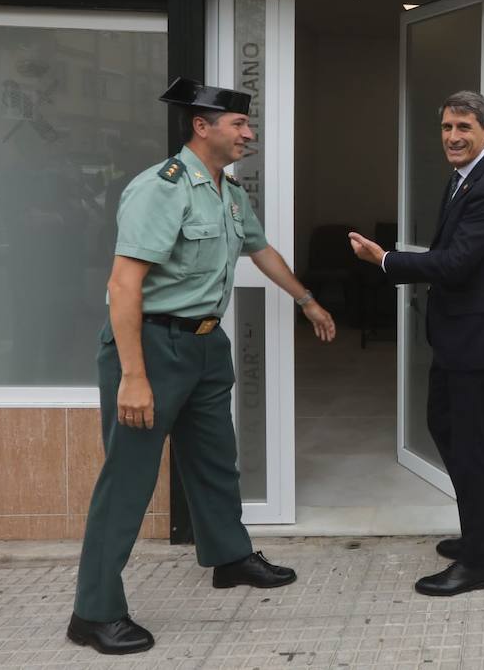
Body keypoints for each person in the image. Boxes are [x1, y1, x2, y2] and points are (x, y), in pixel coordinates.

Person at [68, 78, 336, 655]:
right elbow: (123, 285)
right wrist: (134, 376)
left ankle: (229, 557)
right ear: (202, 126)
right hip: (153, 348)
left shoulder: (228, 191)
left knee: (216, 460)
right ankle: (93, 612)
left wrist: (306, 299)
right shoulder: (160, 190)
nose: (249, 133)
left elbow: (260, 249)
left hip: (206, 347)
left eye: (248, 124)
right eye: (239, 125)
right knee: (129, 481)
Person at [349, 90, 484, 597]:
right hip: (457, 335)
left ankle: (479, 564)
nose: (453, 137)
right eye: (447, 127)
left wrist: (386, 261)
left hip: (476, 337)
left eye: (464, 128)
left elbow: (454, 263)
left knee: (468, 445)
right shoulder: (462, 180)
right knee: (445, 426)